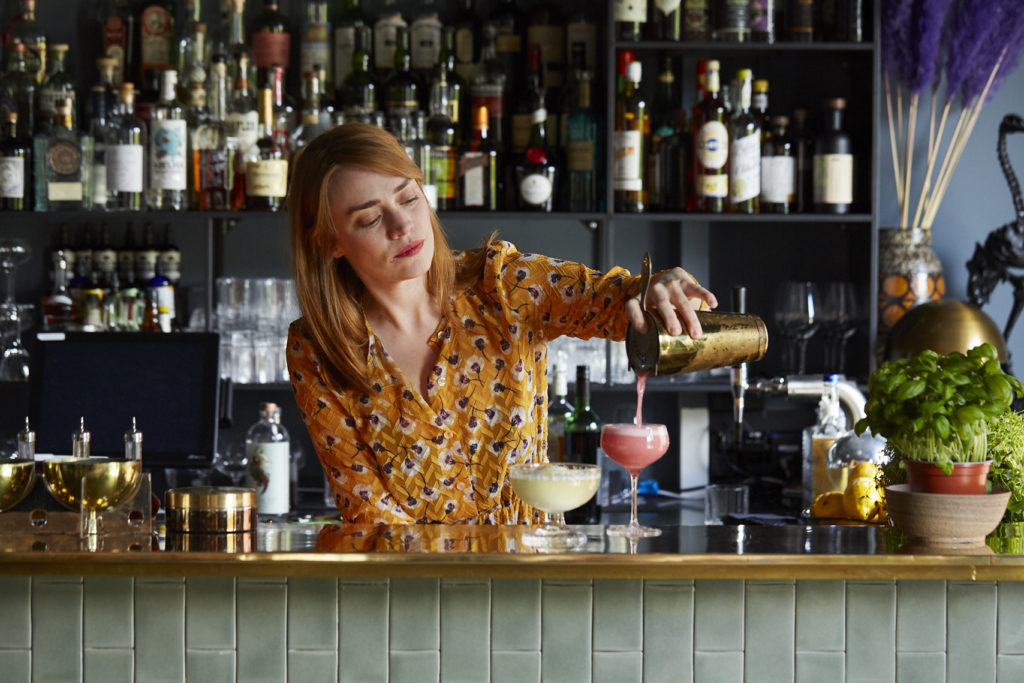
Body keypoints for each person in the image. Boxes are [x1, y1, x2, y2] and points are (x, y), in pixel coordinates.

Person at [285, 122, 718, 525]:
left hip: (535, 584)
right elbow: (370, 517)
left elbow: (613, 300)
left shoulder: (501, 284)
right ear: (329, 241)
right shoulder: (318, 348)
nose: (402, 225)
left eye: (408, 197)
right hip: (415, 594)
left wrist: (659, 286)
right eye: (371, 218)